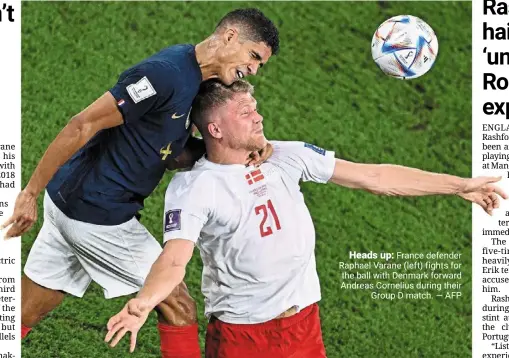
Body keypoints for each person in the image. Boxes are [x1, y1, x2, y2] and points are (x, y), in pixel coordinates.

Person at [104, 79, 507, 357]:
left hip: (304, 322)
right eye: (245, 112)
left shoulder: (286, 156)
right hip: (244, 335)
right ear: (215, 129)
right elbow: (175, 259)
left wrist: (461, 185)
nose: (258, 116)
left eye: (255, 107)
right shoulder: (195, 188)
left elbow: (375, 176)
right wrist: (143, 303)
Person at [4, 8, 279, 358]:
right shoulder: (163, 75)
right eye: (253, 57)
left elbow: (171, 153)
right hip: (96, 213)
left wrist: (249, 146)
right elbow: (81, 125)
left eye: (260, 65)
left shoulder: (203, 81)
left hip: (69, 202)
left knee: (26, 311)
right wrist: (28, 192)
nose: (254, 69)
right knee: (177, 304)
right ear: (228, 37)